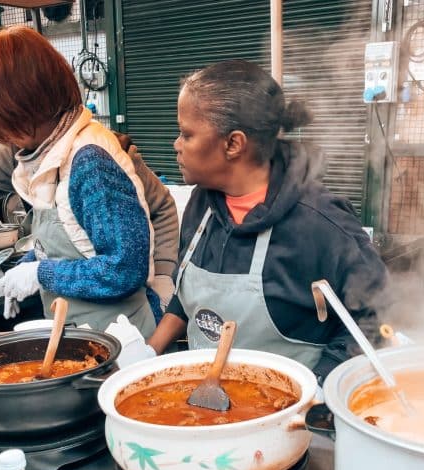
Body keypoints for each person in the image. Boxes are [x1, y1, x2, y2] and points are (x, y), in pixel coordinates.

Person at [0, 27, 178, 334]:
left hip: (122, 335)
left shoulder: (92, 161)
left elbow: (124, 269)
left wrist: (43, 273)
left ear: (24, 107)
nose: (4, 139)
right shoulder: (32, 145)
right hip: (82, 328)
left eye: (2, 123)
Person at [147, 60, 388, 381]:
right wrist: (148, 353)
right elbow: (187, 295)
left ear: (233, 144)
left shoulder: (320, 223)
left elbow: (373, 321)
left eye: (186, 134)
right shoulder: (200, 204)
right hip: (200, 403)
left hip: (291, 416)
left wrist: (314, 390)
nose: (176, 145)